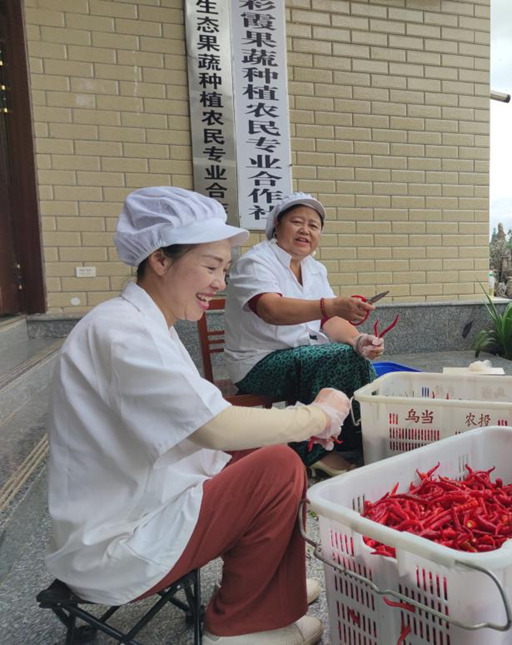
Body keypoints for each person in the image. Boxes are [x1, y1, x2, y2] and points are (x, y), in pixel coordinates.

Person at [46, 187, 351, 645]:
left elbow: (207, 416)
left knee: (262, 449)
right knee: (277, 465)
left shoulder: (145, 322)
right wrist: (317, 417)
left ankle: (267, 590)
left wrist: (300, 421)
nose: (220, 284)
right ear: (159, 260)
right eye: (210, 267)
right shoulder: (123, 333)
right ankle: (236, 627)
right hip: (118, 540)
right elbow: (215, 426)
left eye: (224, 270)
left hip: (144, 497)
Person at [224, 192, 384, 477]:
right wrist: (330, 305)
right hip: (259, 364)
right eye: (297, 222)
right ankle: (311, 450)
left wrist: (358, 339)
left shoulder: (314, 268)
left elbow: (330, 321)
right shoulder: (255, 262)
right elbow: (271, 309)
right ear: (277, 225)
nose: (305, 230)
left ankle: (355, 437)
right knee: (332, 358)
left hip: (303, 358)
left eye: (313, 225)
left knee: (354, 355)